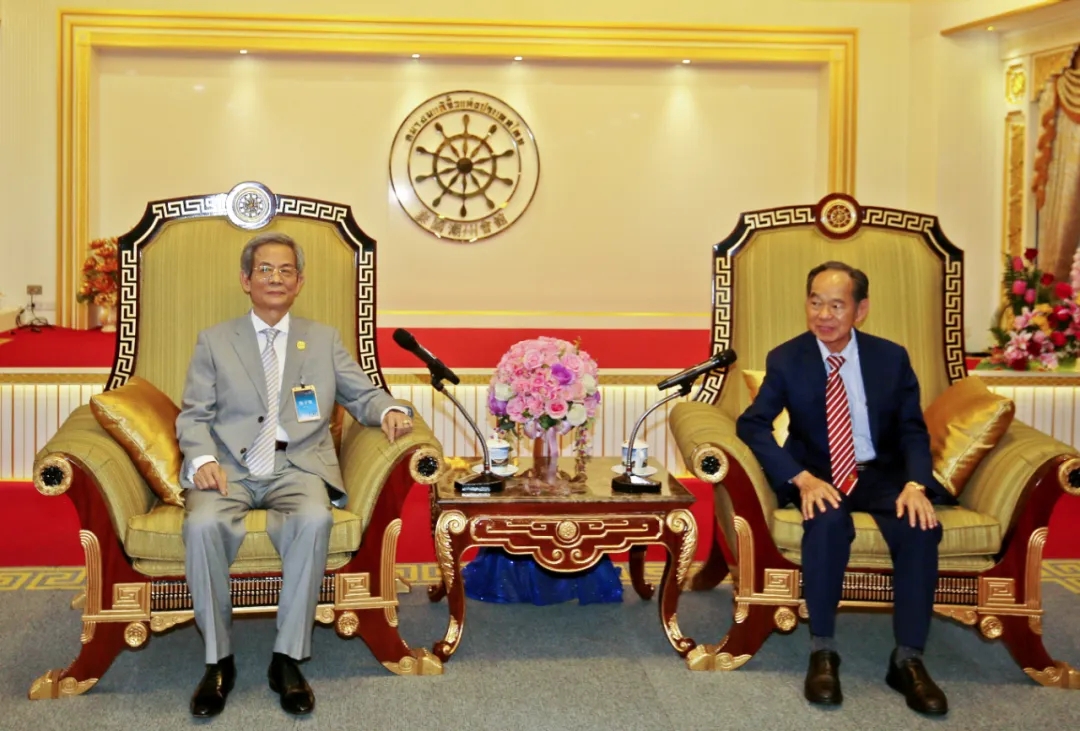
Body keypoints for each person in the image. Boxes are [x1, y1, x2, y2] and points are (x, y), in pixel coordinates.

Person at [176, 231, 414, 718]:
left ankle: (286, 659)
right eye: (265, 269)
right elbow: (194, 414)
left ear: (300, 282)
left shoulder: (322, 339)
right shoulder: (215, 340)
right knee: (201, 525)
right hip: (230, 468)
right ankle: (218, 661)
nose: (275, 278)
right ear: (246, 280)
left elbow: (362, 393)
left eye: (286, 270)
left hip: (297, 465)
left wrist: (390, 409)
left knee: (314, 518)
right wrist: (202, 460)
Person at [735, 261, 951, 716]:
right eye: (815, 302)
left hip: (881, 473)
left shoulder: (890, 358)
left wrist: (916, 484)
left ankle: (908, 660)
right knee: (827, 524)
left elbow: (912, 430)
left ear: (860, 310)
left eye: (836, 305)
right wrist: (800, 478)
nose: (823, 315)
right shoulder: (787, 358)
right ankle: (823, 652)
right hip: (819, 473)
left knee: (920, 528)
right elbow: (752, 425)